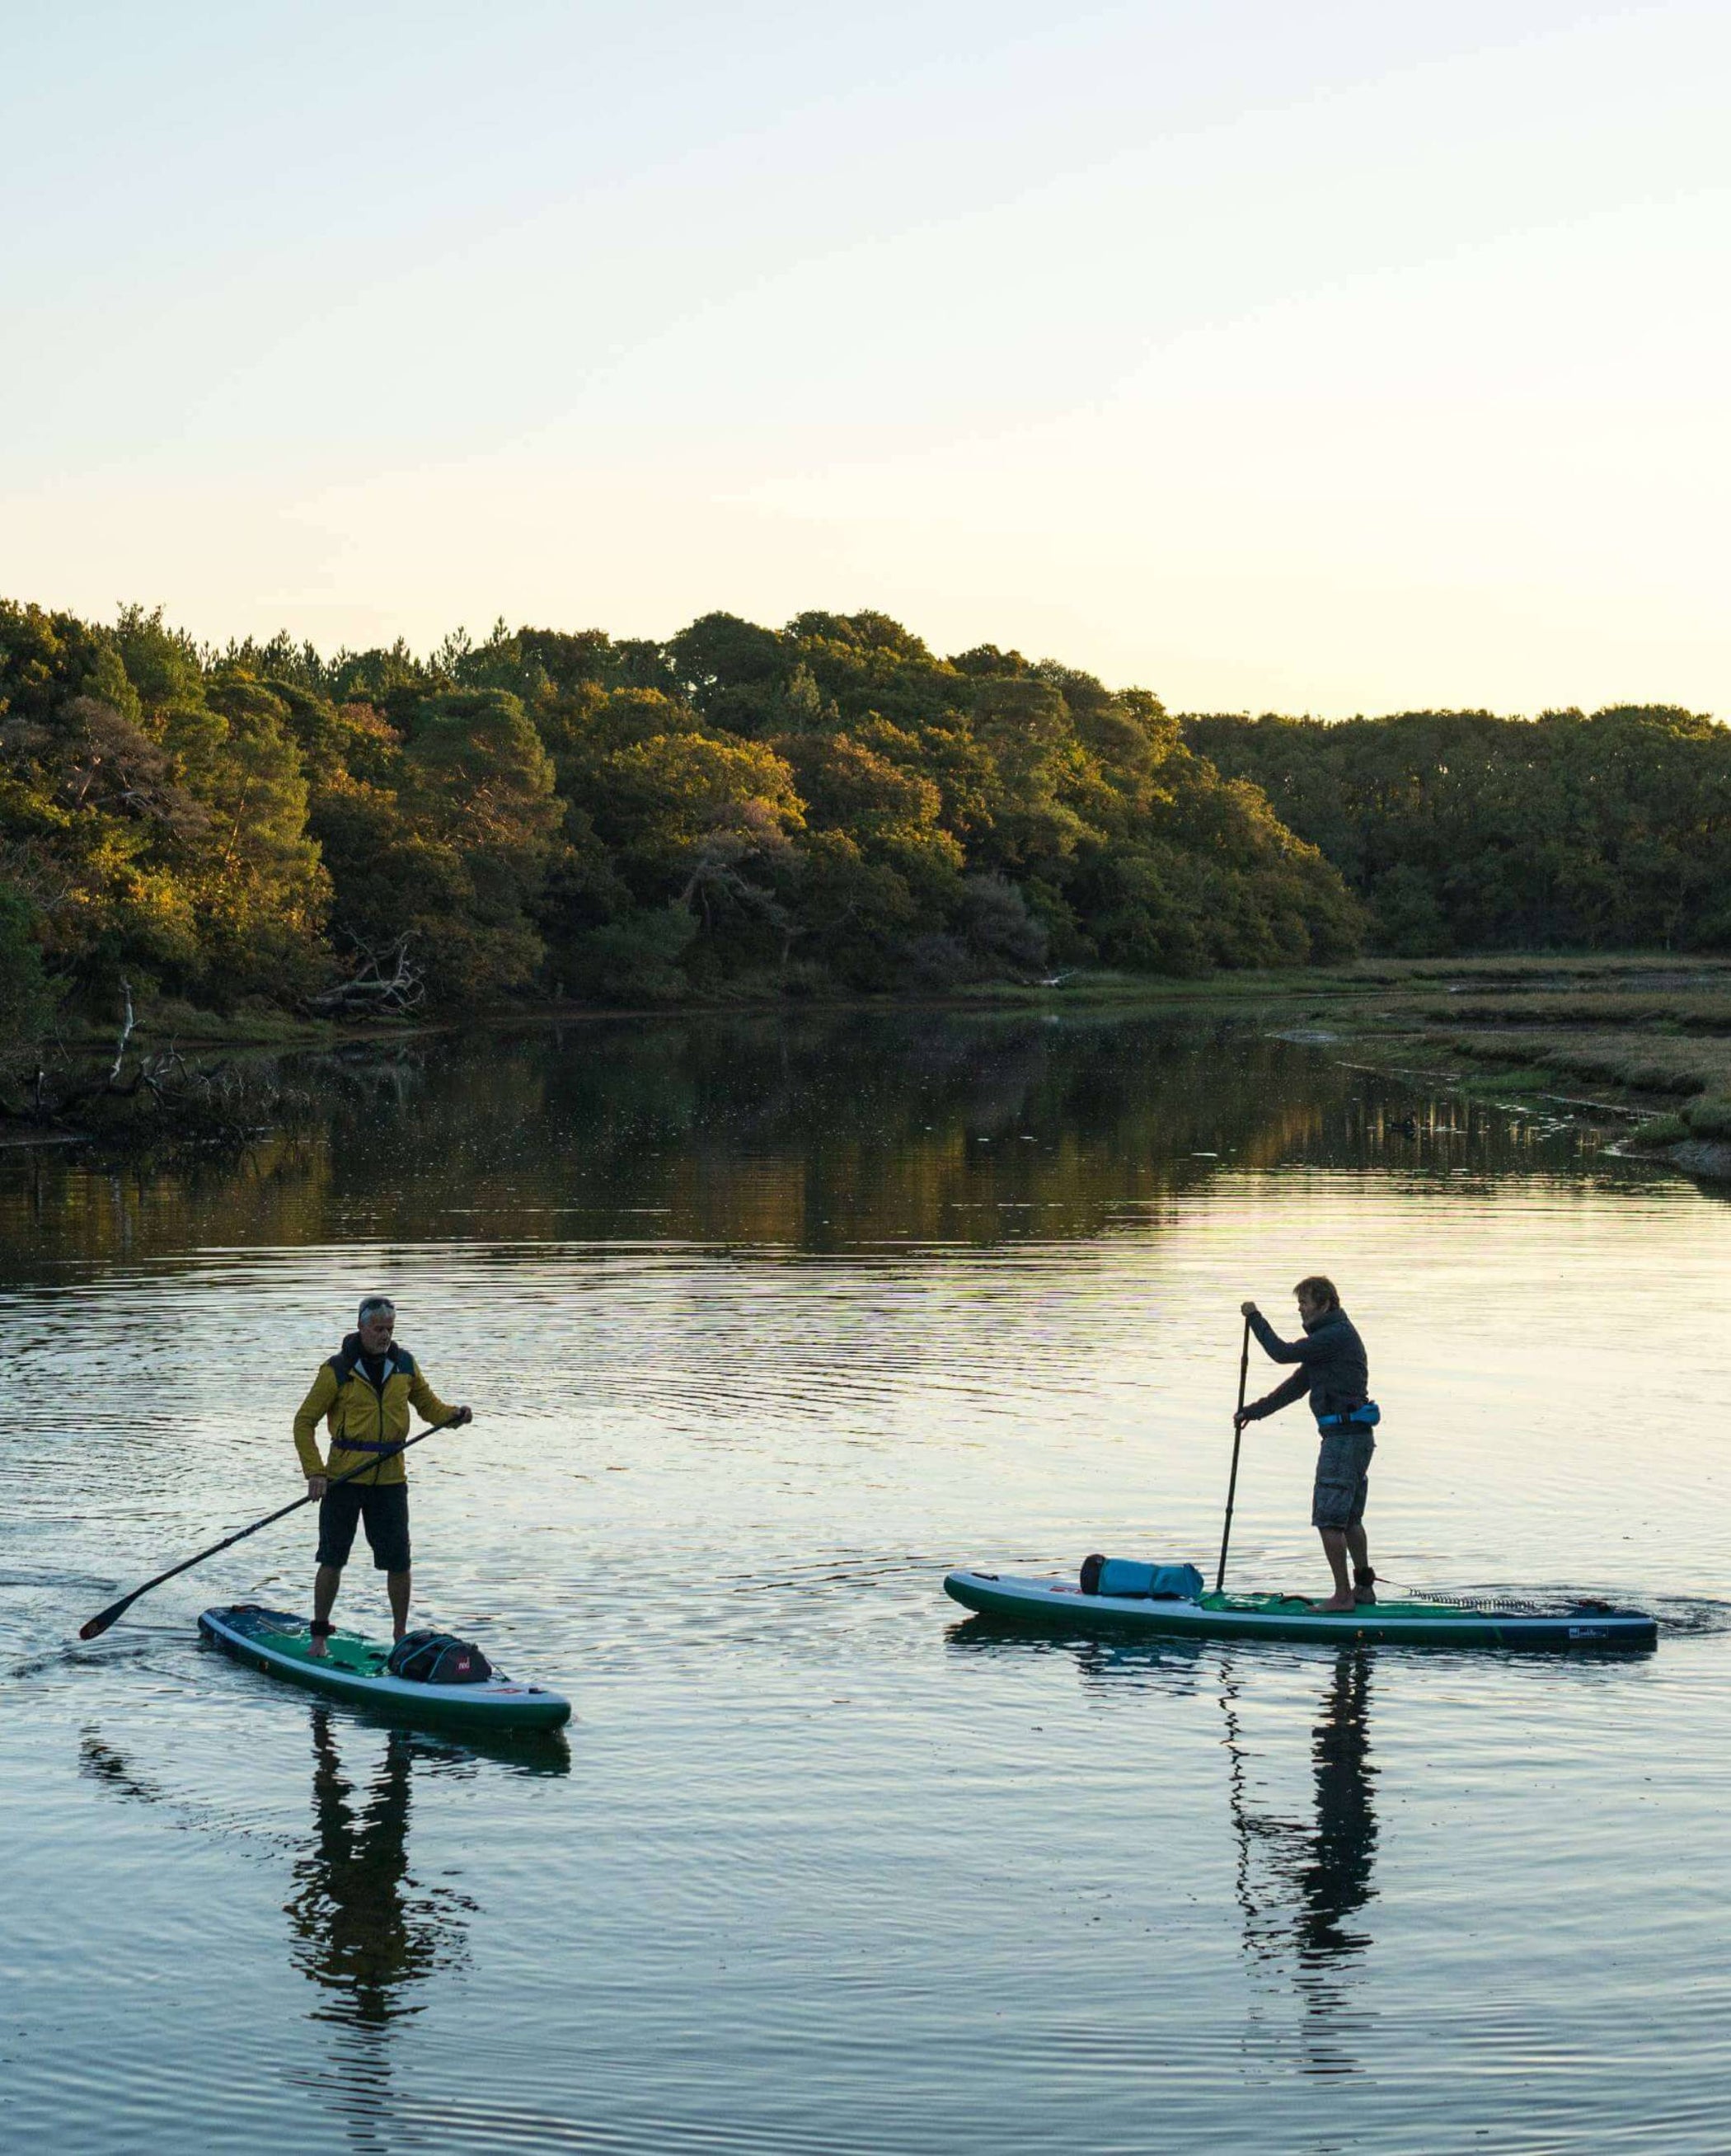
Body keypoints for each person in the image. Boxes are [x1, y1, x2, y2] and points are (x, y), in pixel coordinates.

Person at [292, 1297, 472, 1656]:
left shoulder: (404, 1365)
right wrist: (315, 1472)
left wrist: (454, 1415)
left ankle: (399, 1636)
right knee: (333, 1557)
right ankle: (318, 1638)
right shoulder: (336, 1370)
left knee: (399, 1560)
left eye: (390, 1328)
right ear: (361, 1328)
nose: (385, 1336)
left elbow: (429, 1408)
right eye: (378, 1329)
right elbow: (303, 1423)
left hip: (390, 1480)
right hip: (344, 1479)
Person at [1236, 1276, 1378, 1614]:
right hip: (1353, 1439)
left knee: (1330, 1521)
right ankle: (1363, 1590)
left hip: (1343, 1443)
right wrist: (1252, 1412)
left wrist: (1255, 1317)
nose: (1300, 1309)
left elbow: (1281, 1352)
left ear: (1325, 1304)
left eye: (1305, 1303)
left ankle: (1343, 1596)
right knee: (1350, 1520)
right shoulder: (1328, 1343)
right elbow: (1294, 1388)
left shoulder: (1335, 1336)